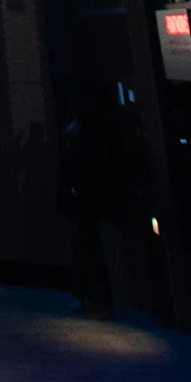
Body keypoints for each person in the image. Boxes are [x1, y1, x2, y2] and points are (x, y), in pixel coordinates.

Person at [54, 115, 112, 313]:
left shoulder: (77, 154)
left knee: (85, 252)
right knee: (87, 253)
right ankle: (90, 296)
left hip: (81, 210)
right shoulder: (81, 152)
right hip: (82, 210)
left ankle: (88, 296)